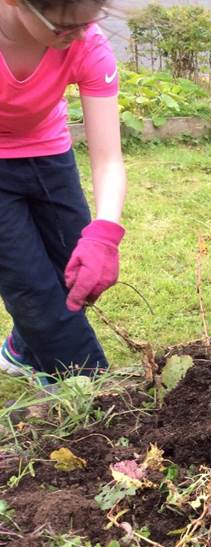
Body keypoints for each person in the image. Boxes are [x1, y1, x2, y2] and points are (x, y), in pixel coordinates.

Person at [0, 0, 126, 384]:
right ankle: (89, 391)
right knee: (31, 286)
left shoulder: (86, 43)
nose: (78, 35)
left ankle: (22, 349)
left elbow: (108, 159)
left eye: (86, 23)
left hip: (48, 153)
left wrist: (105, 235)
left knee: (77, 272)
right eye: (62, 28)